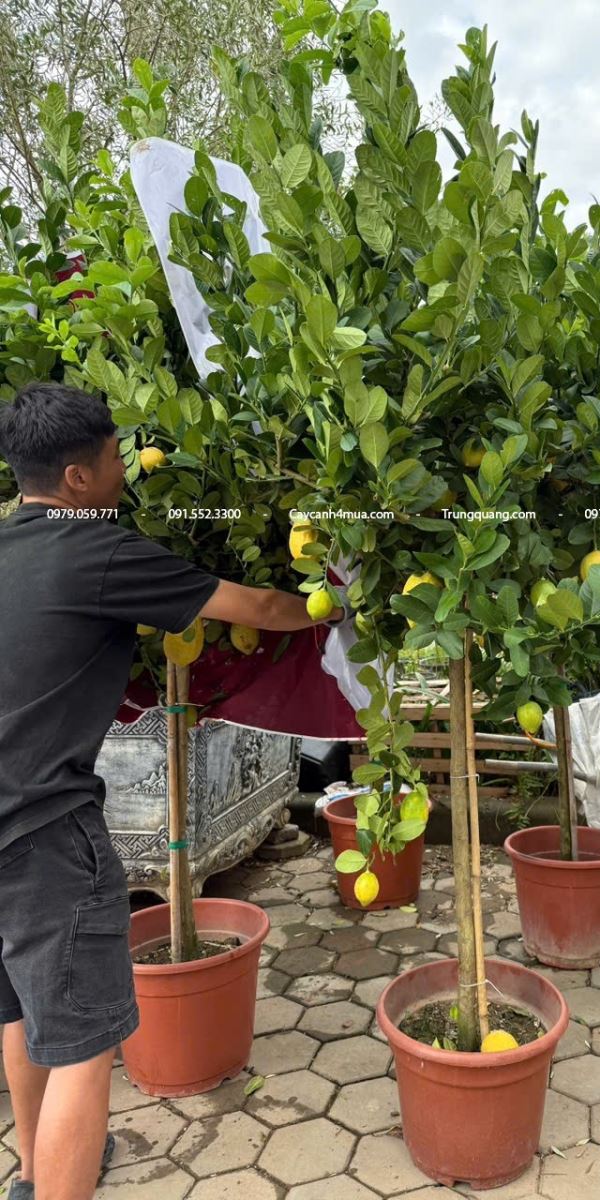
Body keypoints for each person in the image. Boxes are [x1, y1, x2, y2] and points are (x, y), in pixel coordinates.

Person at [0, 382, 347, 1199]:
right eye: (118, 455)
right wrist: (335, 603)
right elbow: (255, 606)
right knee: (84, 1046)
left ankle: (29, 1174)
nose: (128, 468)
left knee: (19, 1013)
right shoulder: (96, 549)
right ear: (80, 479)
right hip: (43, 836)